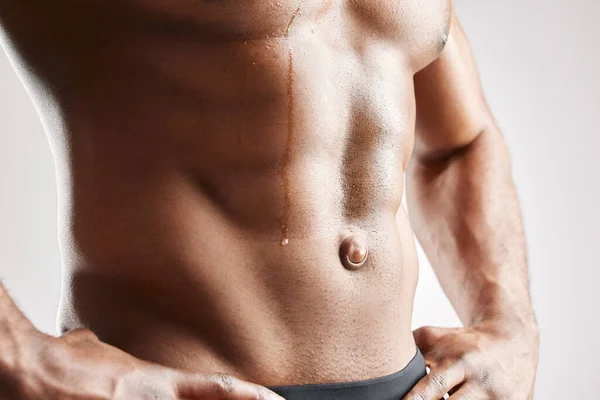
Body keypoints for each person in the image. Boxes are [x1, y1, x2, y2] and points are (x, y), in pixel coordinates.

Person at [0, 0, 539, 399]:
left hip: (406, 386)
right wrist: (22, 360)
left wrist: (510, 324)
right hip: (181, 383)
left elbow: (458, 144)